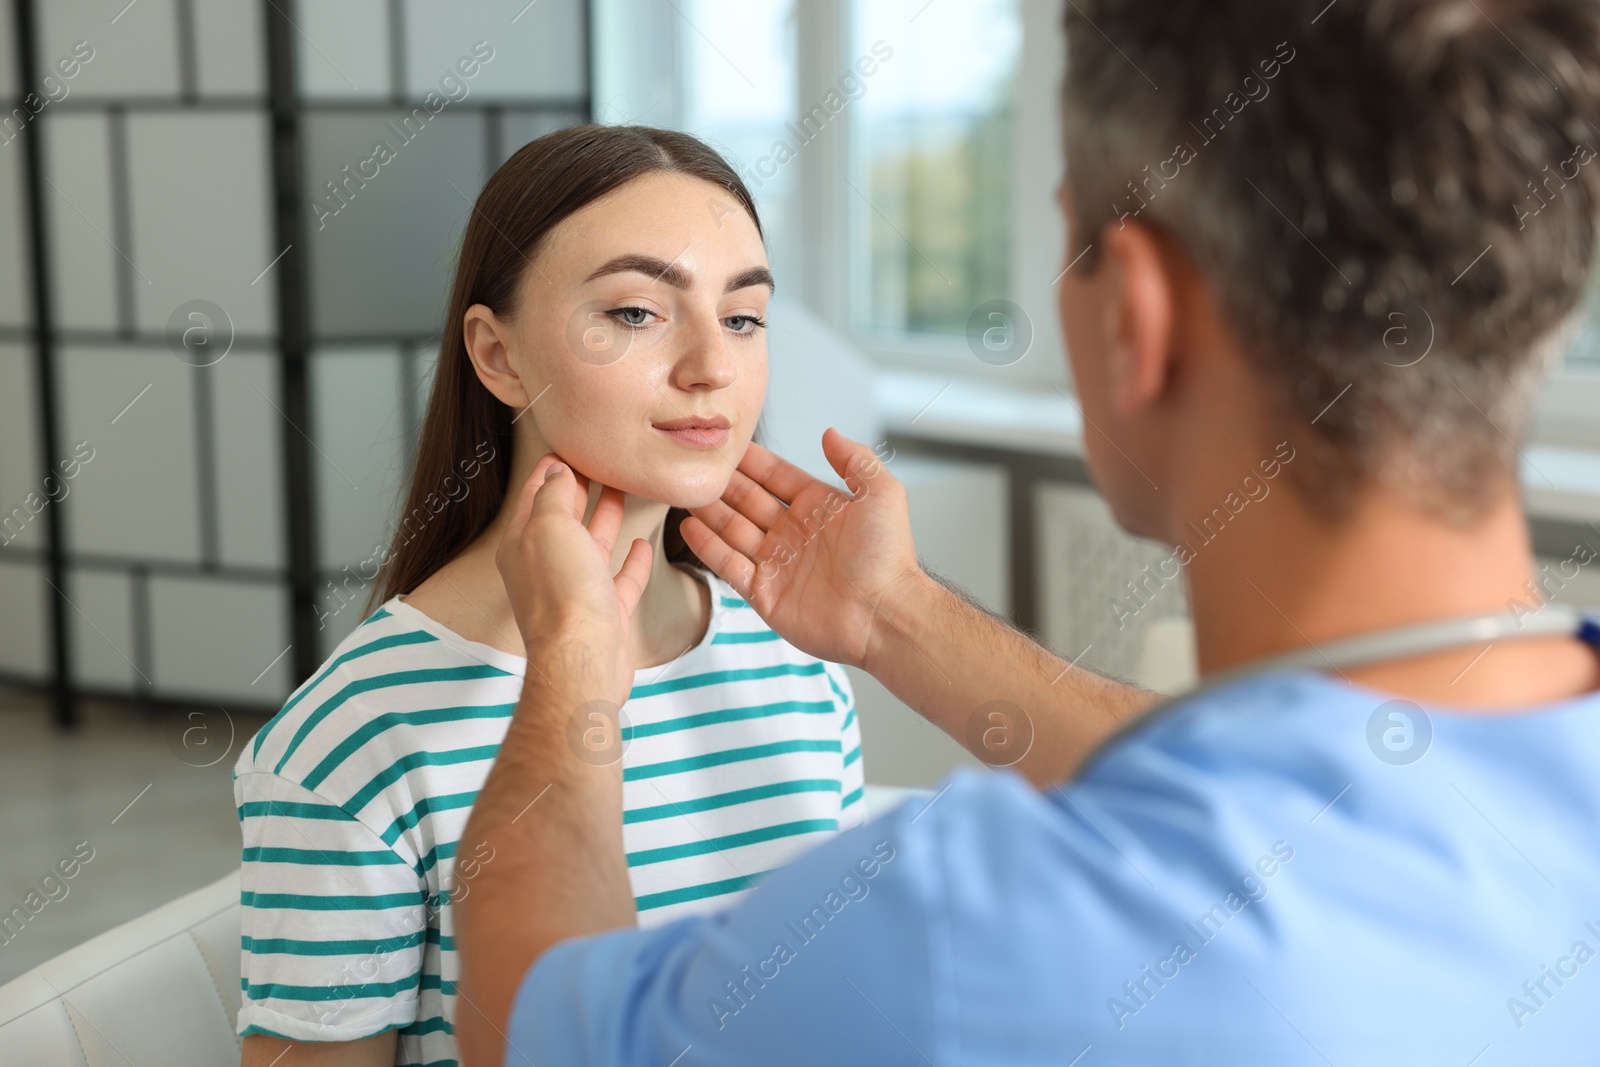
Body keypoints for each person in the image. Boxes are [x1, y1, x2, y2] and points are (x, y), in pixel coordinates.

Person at [452, 0, 1600, 1063]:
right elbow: (1294, 788)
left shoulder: (970, 928)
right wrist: (894, 612)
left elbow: (529, 1021)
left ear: (1134, 317)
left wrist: (571, 671)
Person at [233, 126, 867, 1067]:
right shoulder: (353, 736)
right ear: (498, 356)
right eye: (638, 312)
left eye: (742, 317)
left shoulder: (799, 660)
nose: (712, 366)